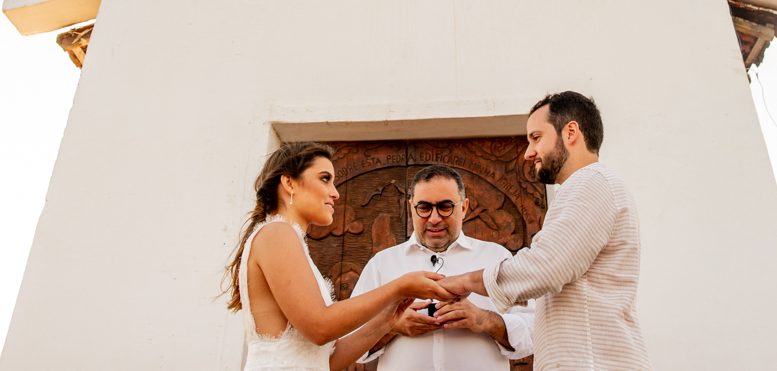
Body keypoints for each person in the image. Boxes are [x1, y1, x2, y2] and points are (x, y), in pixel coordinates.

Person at [440, 92, 653, 371]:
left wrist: (466, 281)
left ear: (571, 132)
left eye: (536, 138)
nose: (528, 152)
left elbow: (547, 265)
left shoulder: (591, 183)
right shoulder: (588, 187)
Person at [224, 142, 453, 371]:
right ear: (289, 183)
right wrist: (399, 287)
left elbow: (327, 362)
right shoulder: (277, 233)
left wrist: (386, 321)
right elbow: (319, 327)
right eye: (325, 179)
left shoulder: (285, 238)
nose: (335, 192)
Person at [349, 164, 535, 370]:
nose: (434, 218)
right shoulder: (381, 264)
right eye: (424, 208)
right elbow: (349, 342)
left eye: (445, 207)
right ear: (411, 208)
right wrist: (392, 326)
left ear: (463, 208)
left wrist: (484, 319)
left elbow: (535, 332)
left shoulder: (498, 258)